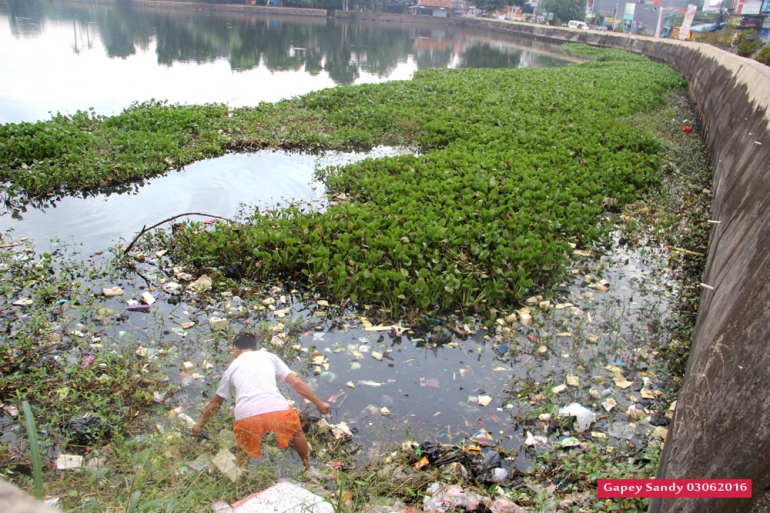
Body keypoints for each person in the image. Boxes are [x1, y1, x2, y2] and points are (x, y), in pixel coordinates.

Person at [192, 332, 330, 468]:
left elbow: (217, 402)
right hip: (277, 410)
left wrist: (200, 424)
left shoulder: (232, 368)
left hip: (246, 416)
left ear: (235, 349)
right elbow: (296, 383)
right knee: (297, 432)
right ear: (256, 347)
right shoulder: (269, 357)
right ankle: (307, 467)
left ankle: (243, 477)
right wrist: (319, 404)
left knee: (242, 449)